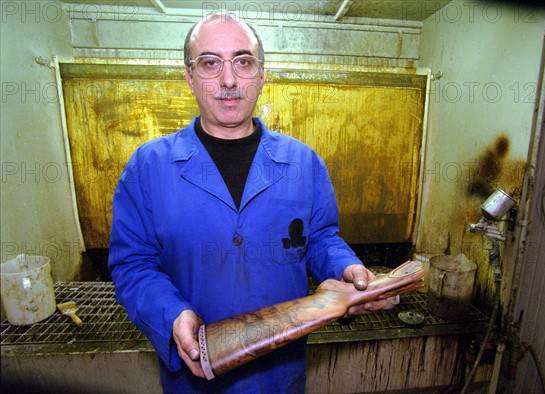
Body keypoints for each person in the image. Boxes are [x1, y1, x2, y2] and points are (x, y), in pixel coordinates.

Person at [108, 11, 390, 394]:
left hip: (279, 372)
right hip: (196, 375)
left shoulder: (304, 163)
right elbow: (133, 264)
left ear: (262, 75)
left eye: (243, 61)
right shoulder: (149, 166)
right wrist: (171, 314)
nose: (228, 80)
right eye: (210, 63)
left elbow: (321, 238)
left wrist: (345, 269)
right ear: (189, 77)